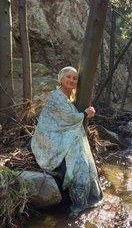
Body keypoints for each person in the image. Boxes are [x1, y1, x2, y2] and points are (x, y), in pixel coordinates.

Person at [31, 66, 103, 217]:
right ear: (61, 79)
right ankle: (72, 200)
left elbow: (68, 121)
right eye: (68, 77)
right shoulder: (56, 96)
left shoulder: (67, 99)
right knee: (74, 163)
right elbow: (69, 119)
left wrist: (85, 113)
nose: (71, 80)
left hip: (61, 135)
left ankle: (81, 196)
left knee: (80, 160)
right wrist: (85, 113)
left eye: (75, 78)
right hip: (48, 137)